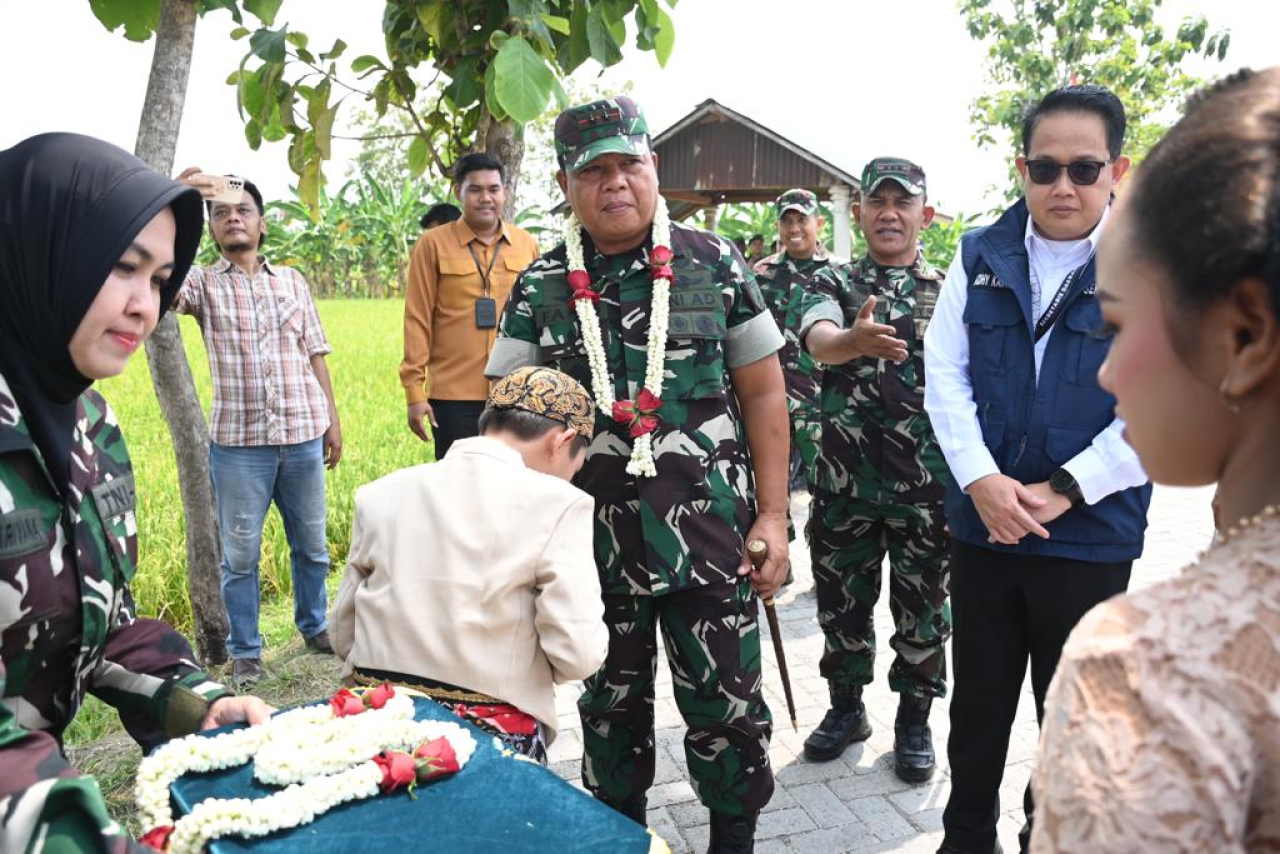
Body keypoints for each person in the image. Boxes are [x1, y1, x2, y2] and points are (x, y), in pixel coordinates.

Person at [485, 96, 789, 853]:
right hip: (587, 553)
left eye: (630, 164)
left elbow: (764, 391)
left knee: (727, 712)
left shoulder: (714, 262)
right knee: (610, 715)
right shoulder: (541, 283)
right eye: (595, 170)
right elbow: (504, 421)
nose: (615, 182)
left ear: (653, 167)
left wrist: (775, 517)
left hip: (712, 540)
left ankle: (732, 843)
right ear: (566, 181)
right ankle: (622, 842)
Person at [0, 133, 272, 853]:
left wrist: (194, 701)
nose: (143, 307)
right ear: (36, 251)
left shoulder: (86, 419)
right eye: (122, 268)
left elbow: (97, 622)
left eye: (158, 280)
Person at [1031, 67, 1280, 853]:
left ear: (1244, 336)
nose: (1107, 371)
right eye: (1044, 167)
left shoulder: (1143, 673)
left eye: (1114, 323)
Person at [923, 85, 1152, 854]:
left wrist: (1067, 488)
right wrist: (982, 481)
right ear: (1022, 168)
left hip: (1089, 540)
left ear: (1117, 168)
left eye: (1084, 169)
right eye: (1045, 167)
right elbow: (944, 374)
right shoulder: (979, 254)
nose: (1063, 186)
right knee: (978, 712)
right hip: (987, 531)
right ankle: (966, 841)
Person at [330, 366, 608, 763]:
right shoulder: (559, 505)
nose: (571, 479)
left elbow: (343, 633)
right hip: (482, 743)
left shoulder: (380, 494)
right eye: (575, 468)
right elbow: (578, 654)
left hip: (373, 728)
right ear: (561, 442)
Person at [799, 158, 952, 782]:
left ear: (926, 214)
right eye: (877, 202)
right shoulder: (832, 281)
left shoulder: (950, 288)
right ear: (858, 212)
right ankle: (846, 710)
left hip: (926, 487)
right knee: (842, 608)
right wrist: (851, 343)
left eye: (902, 202)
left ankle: (914, 721)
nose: (889, 212)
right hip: (845, 484)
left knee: (923, 610)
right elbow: (818, 337)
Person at [175, 168, 343, 686]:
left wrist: (332, 421)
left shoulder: (291, 280)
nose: (233, 219)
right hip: (239, 445)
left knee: (312, 545)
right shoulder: (201, 282)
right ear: (211, 229)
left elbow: (315, 351)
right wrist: (180, 201)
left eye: (242, 210)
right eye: (221, 213)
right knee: (241, 555)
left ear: (262, 223)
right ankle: (245, 649)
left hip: (302, 435)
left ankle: (314, 626)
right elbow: (160, 283)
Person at [401, 153, 541, 459]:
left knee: (512, 487)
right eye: (475, 190)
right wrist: (414, 391)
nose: (485, 198)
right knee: (459, 491)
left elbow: (538, 319)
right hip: (453, 398)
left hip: (515, 393)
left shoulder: (526, 244)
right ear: (458, 193)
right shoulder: (433, 244)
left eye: (493, 189)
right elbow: (417, 318)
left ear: (505, 192)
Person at [753, 189, 834, 493]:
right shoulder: (762, 274)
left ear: (819, 222)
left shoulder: (839, 273)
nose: (794, 228)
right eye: (787, 221)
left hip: (821, 401)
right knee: (769, 490)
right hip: (770, 400)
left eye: (802, 219)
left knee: (827, 491)